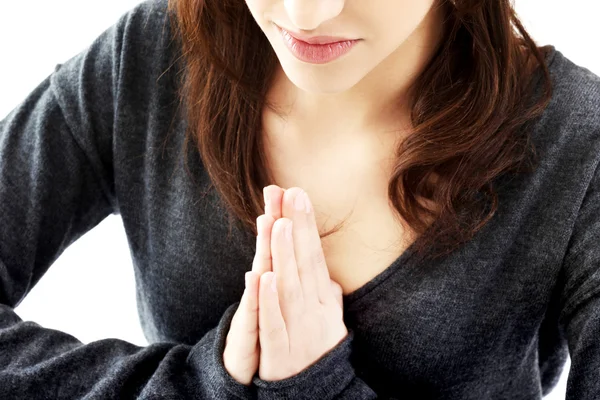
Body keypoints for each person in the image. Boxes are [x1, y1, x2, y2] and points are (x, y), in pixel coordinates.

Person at [0, 0, 599, 398]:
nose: (304, 12)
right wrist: (198, 388)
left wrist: (318, 389)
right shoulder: (151, 56)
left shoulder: (579, 147)